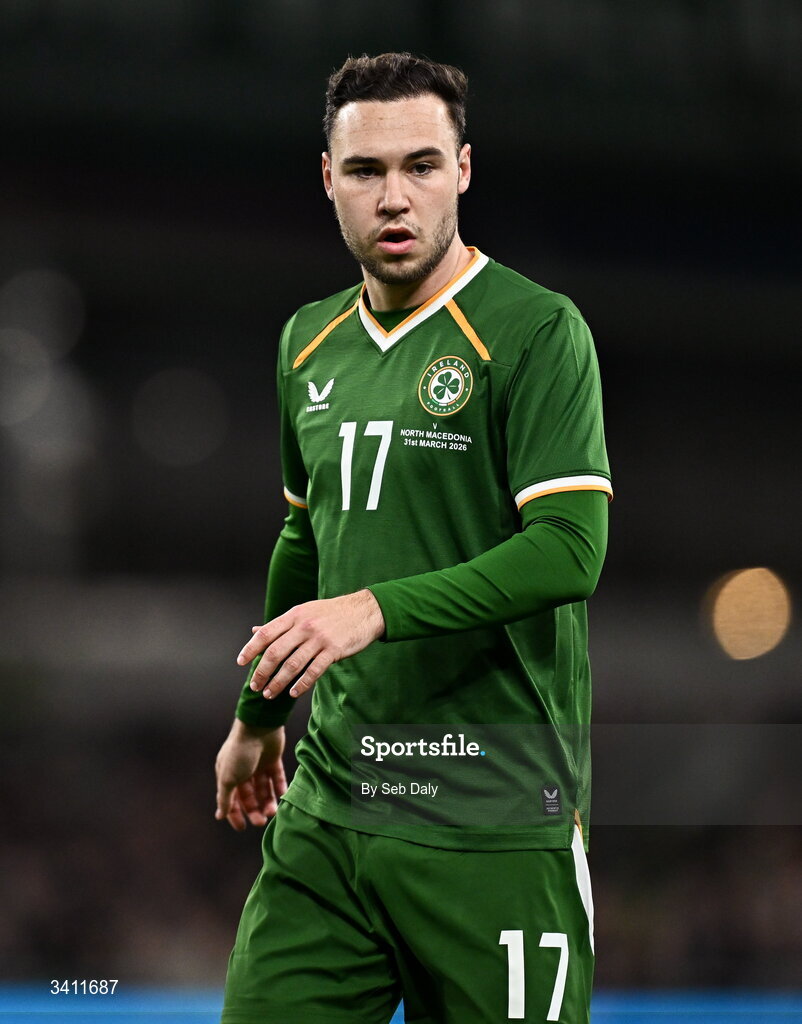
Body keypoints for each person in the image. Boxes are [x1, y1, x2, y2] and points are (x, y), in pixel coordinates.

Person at [215, 52, 611, 1024]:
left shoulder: (533, 330)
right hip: (331, 814)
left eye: (421, 166)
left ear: (463, 171)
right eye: (366, 171)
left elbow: (569, 549)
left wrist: (376, 609)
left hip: (494, 819)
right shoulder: (307, 341)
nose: (395, 196)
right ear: (327, 179)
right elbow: (304, 539)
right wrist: (259, 716)